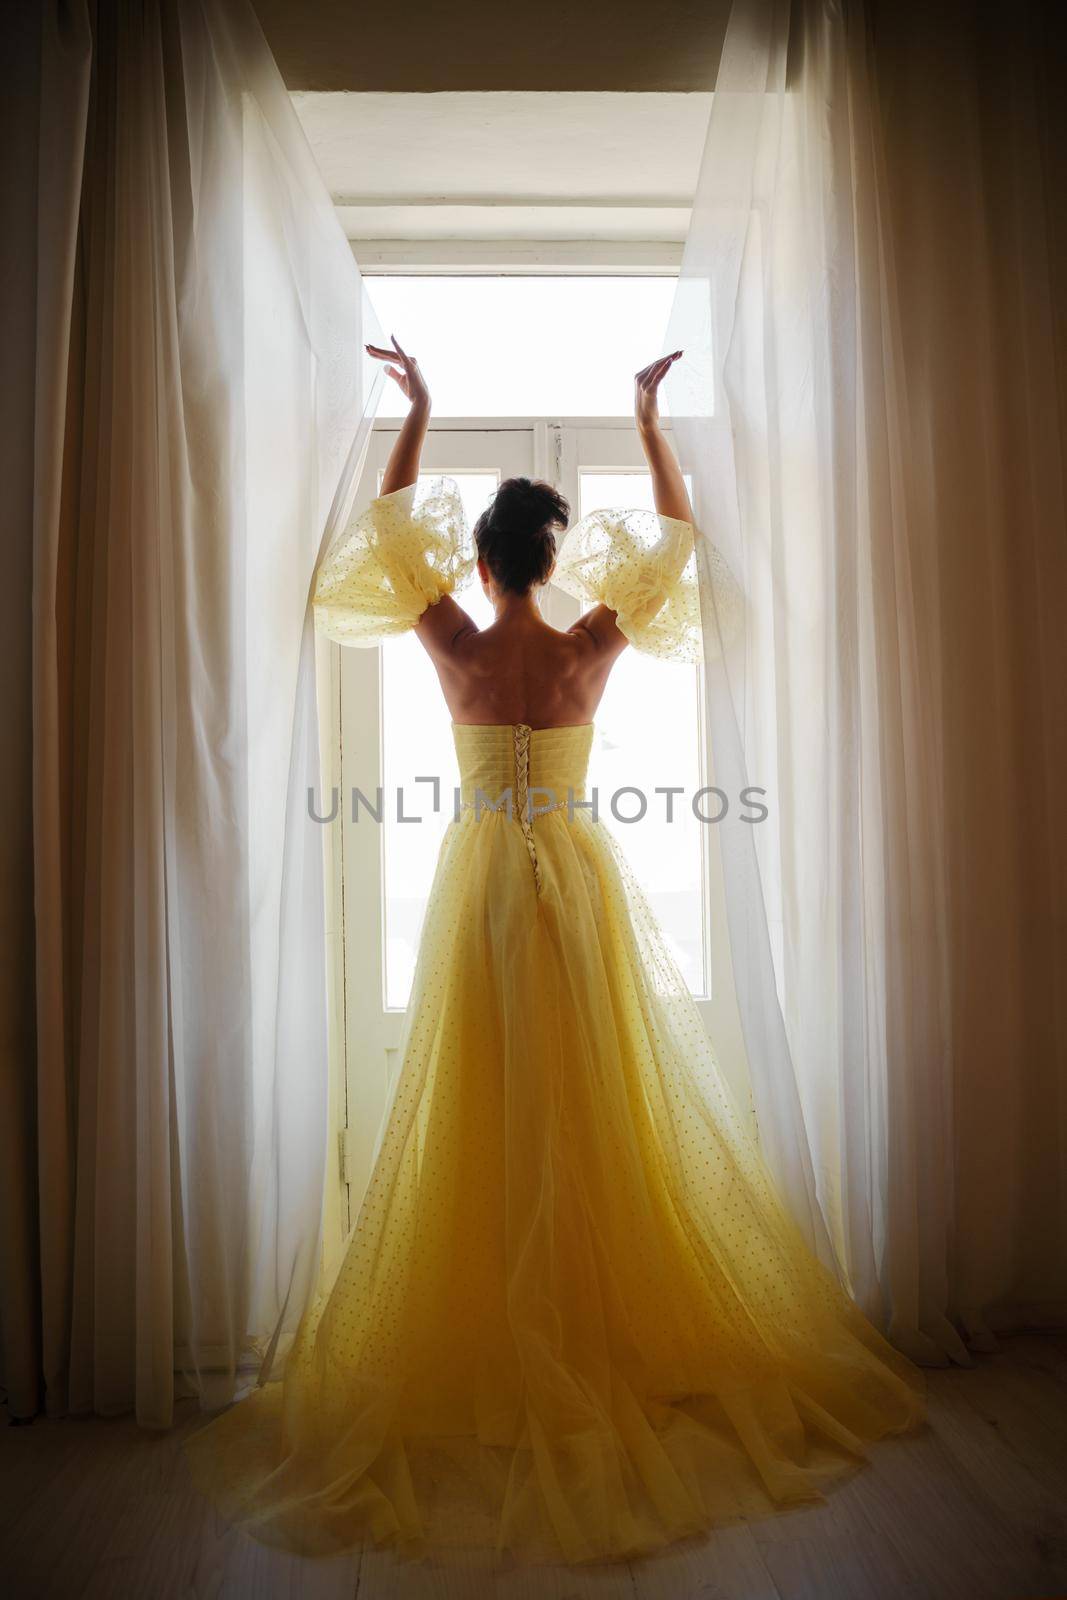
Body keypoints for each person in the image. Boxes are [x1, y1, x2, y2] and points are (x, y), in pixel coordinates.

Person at [185, 337, 925, 1566]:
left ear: (480, 563)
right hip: (576, 882)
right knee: (594, 1096)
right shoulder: (586, 651)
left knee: (488, 1094)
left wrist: (414, 411)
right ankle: (594, 1323)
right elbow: (676, 551)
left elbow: (383, 536)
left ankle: (512, 1329)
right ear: (549, 558)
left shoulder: (462, 650)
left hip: (480, 884)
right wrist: (647, 427)